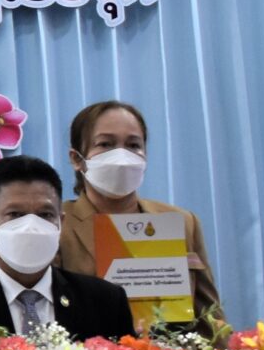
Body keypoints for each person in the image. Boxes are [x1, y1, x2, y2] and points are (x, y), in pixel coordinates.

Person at [0, 156, 135, 341]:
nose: (31, 226)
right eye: (15, 214)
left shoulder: (105, 301)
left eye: (45, 214)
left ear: (61, 223)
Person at [56, 99, 221, 326]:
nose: (122, 157)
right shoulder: (58, 224)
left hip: (172, 348)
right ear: (77, 159)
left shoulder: (180, 222)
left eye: (133, 145)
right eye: (105, 144)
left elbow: (209, 318)